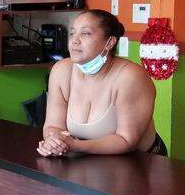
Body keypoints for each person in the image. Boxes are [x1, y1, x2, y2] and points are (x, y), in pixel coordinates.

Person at [37, 9, 166, 157]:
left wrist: (75, 145)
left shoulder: (131, 77)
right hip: (87, 158)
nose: (75, 40)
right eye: (72, 33)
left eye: (85, 33)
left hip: (141, 161)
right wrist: (54, 142)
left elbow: (126, 140)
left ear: (110, 42)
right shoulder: (61, 71)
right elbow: (53, 125)